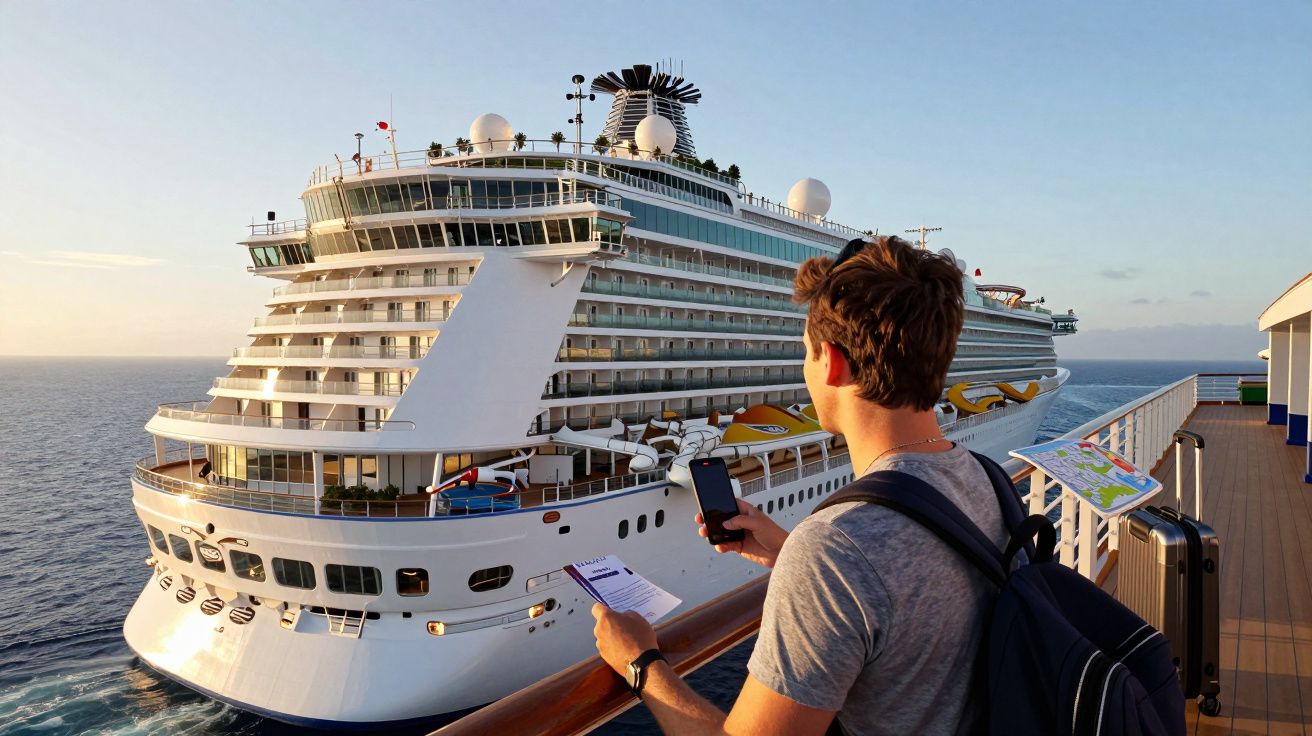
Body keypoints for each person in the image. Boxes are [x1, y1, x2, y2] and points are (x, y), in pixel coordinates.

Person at [592, 235, 1007, 735]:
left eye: (807, 353)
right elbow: (903, 587)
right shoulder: (988, 479)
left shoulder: (838, 552)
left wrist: (641, 662)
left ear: (832, 363)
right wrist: (792, 555)